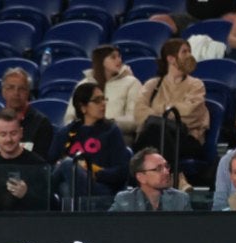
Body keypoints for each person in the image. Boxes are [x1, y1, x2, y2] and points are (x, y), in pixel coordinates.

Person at [47, 84, 129, 210]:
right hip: (71, 190)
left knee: (68, 164)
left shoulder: (111, 131)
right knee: (65, 187)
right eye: (97, 100)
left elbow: (122, 171)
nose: (103, 104)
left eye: (103, 99)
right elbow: (49, 165)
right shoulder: (66, 133)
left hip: (102, 189)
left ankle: (40, 199)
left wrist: (94, 172)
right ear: (83, 107)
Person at [133, 38, 209, 168]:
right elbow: (139, 113)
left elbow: (190, 113)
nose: (189, 56)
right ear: (171, 59)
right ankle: (177, 177)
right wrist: (169, 114)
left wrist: (158, 113)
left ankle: (170, 176)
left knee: (154, 125)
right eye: (184, 52)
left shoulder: (196, 85)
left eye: (190, 51)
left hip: (185, 139)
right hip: (154, 137)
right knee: (155, 128)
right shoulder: (153, 84)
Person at [0, 67, 54, 165]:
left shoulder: (41, 123)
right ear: (3, 92)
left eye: (21, 89)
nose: (16, 93)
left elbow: (43, 164)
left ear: (28, 92)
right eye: (10, 88)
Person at [63, 45, 142, 145]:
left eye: (119, 56)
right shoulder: (83, 84)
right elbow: (70, 116)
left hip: (116, 136)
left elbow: (134, 119)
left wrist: (107, 124)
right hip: (84, 135)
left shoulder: (132, 83)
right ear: (101, 61)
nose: (119, 60)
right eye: (113, 57)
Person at [109, 148, 193, 212]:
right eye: (158, 169)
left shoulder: (180, 199)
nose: (166, 172)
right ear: (141, 177)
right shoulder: (125, 201)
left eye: (166, 166)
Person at [151, 0, 236, 36]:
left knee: (233, 19)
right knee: (157, 20)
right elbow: (193, 8)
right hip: (193, 19)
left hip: (225, 20)